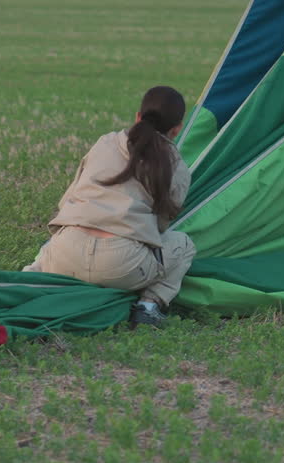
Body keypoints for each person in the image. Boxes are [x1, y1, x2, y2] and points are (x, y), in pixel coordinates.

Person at [23, 86, 195, 327]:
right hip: (121, 267)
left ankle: (26, 284)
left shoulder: (105, 142)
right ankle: (149, 306)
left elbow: (68, 201)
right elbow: (160, 227)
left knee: (53, 244)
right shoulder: (177, 167)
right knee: (184, 244)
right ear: (177, 129)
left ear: (138, 116)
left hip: (66, 256)